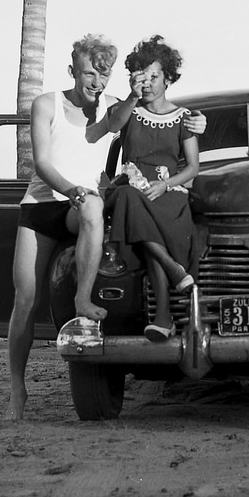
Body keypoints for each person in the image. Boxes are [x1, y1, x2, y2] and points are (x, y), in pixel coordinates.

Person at [8, 33, 205, 421]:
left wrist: (197, 120)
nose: (96, 83)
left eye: (103, 75)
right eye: (89, 74)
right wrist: (70, 189)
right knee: (25, 299)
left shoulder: (115, 104)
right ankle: (17, 389)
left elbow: (134, 119)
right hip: (43, 203)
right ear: (72, 70)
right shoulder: (46, 103)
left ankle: (82, 301)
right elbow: (42, 163)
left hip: (84, 205)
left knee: (93, 207)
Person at [103, 35, 199, 341]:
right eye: (141, 78)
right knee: (129, 197)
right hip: (130, 188)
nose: (147, 84)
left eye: (153, 77)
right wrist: (132, 96)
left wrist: (166, 185)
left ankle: (164, 318)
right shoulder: (127, 109)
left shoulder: (184, 118)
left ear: (167, 78)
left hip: (166, 192)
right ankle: (173, 269)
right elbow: (113, 126)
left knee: (148, 231)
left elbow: (193, 168)